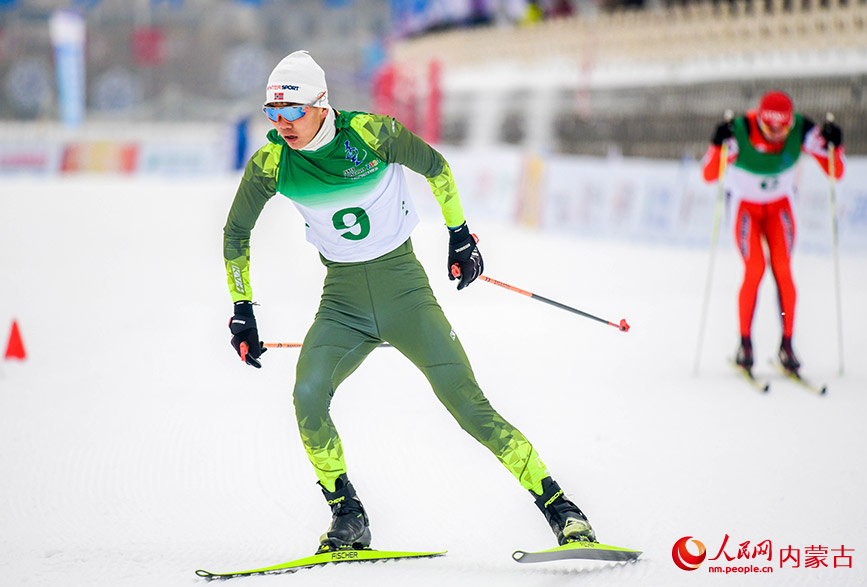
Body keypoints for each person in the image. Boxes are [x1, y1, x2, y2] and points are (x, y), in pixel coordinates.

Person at [223, 50, 596, 553]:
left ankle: (560, 509)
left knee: (469, 407)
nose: (283, 124)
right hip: (342, 305)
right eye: (273, 113)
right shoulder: (272, 161)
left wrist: (460, 235)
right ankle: (347, 515)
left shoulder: (372, 134)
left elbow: (436, 168)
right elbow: (235, 233)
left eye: (292, 111)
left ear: (321, 104)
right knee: (307, 395)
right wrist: (242, 309)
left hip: (406, 293)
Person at [701, 90, 844, 375]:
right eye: (769, 129)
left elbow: (835, 171)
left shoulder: (803, 130)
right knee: (755, 268)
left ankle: (787, 344)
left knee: (783, 270)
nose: (777, 135)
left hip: (780, 209)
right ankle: (745, 343)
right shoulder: (740, 131)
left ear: (790, 124)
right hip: (746, 209)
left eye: (783, 129)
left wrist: (834, 144)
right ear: (760, 121)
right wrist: (717, 146)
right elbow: (708, 174)